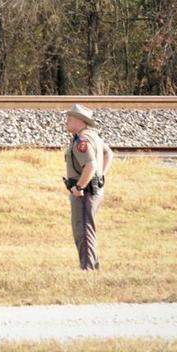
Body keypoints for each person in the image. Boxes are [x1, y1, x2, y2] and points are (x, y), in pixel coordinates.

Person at [64, 104, 114, 270]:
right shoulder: (94, 136)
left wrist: (79, 187)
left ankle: (88, 269)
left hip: (85, 194)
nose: (67, 121)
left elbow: (90, 165)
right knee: (87, 230)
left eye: (70, 118)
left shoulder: (82, 140)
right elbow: (109, 154)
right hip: (94, 190)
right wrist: (102, 175)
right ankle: (92, 265)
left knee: (83, 232)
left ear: (80, 121)